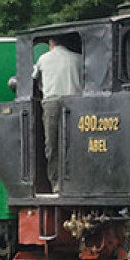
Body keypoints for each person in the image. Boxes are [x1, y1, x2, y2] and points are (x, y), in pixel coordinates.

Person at [33, 36, 84, 189]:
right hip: (77, 104)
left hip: (52, 103)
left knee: (52, 145)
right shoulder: (79, 59)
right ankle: (76, 181)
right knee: (76, 144)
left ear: (51, 45)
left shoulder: (43, 59)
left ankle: (56, 184)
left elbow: (35, 80)